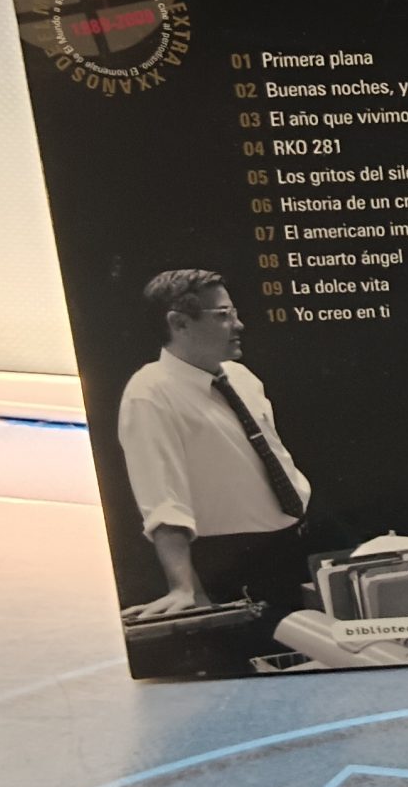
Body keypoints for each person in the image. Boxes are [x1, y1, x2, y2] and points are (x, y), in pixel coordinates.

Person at [116, 270, 314, 637]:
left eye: (234, 312)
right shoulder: (150, 393)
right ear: (179, 323)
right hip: (233, 565)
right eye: (223, 315)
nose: (239, 325)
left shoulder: (241, 377)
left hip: (294, 547)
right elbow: (163, 501)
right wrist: (183, 587)